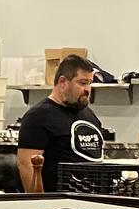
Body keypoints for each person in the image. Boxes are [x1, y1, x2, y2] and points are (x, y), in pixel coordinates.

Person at [16, 55, 105, 193]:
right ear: (62, 82)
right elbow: (27, 165)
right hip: (57, 204)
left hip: (91, 202)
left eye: (90, 83)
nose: (88, 89)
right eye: (82, 83)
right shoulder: (38, 116)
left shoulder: (89, 115)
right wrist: (39, 204)